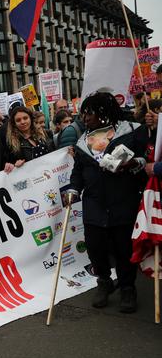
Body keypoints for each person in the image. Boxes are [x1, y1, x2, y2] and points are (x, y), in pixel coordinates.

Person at [66, 92, 145, 313]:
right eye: (83, 113)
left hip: (123, 199)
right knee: (95, 246)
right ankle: (104, 281)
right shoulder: (83, 141)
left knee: (123, 247)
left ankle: (128, 288)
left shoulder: (131, 130)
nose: (85, 117)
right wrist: (73, 189)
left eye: (89, 112)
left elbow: (145, 160)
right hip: (94, 202)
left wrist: (131, 164)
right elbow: (78, 171)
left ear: (103, 111)